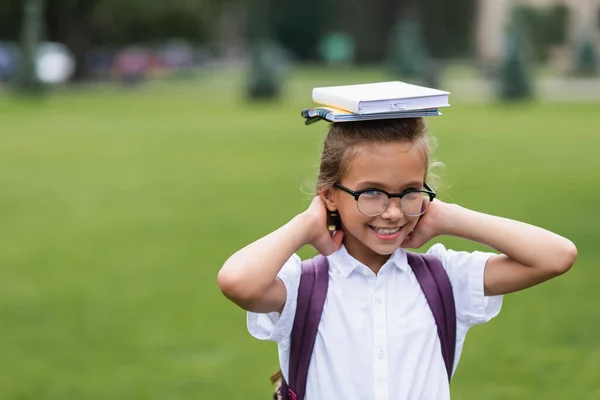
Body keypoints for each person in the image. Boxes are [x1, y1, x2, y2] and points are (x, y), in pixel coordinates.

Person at [217, 117, 577, 400]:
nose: (391, 213)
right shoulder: (303, 286)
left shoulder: (444, 279)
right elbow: (237, 281)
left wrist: (448, 217)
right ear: (329, 196)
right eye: (371, 193)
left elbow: (556, 256)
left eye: (408, 193)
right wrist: (306, 224)